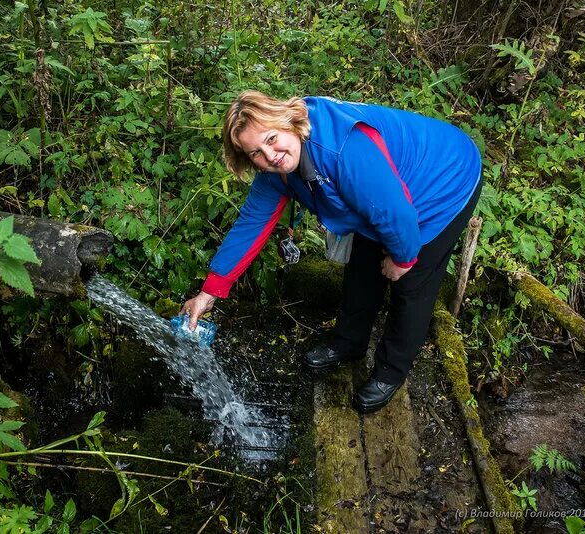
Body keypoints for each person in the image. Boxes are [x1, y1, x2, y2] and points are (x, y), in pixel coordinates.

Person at [181, 91, 482, 413]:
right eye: (256, 152)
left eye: (272, 139)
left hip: (443, 180)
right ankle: (348, 343)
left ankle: (390, 372)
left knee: (412, 286)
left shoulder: (340, 147)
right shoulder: (276, 170)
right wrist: (210, 291)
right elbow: (251, 224)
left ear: (289, 123)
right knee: (363, 269)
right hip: (385, 195)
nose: (270, 155)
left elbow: (394, 213)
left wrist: (403, 258)